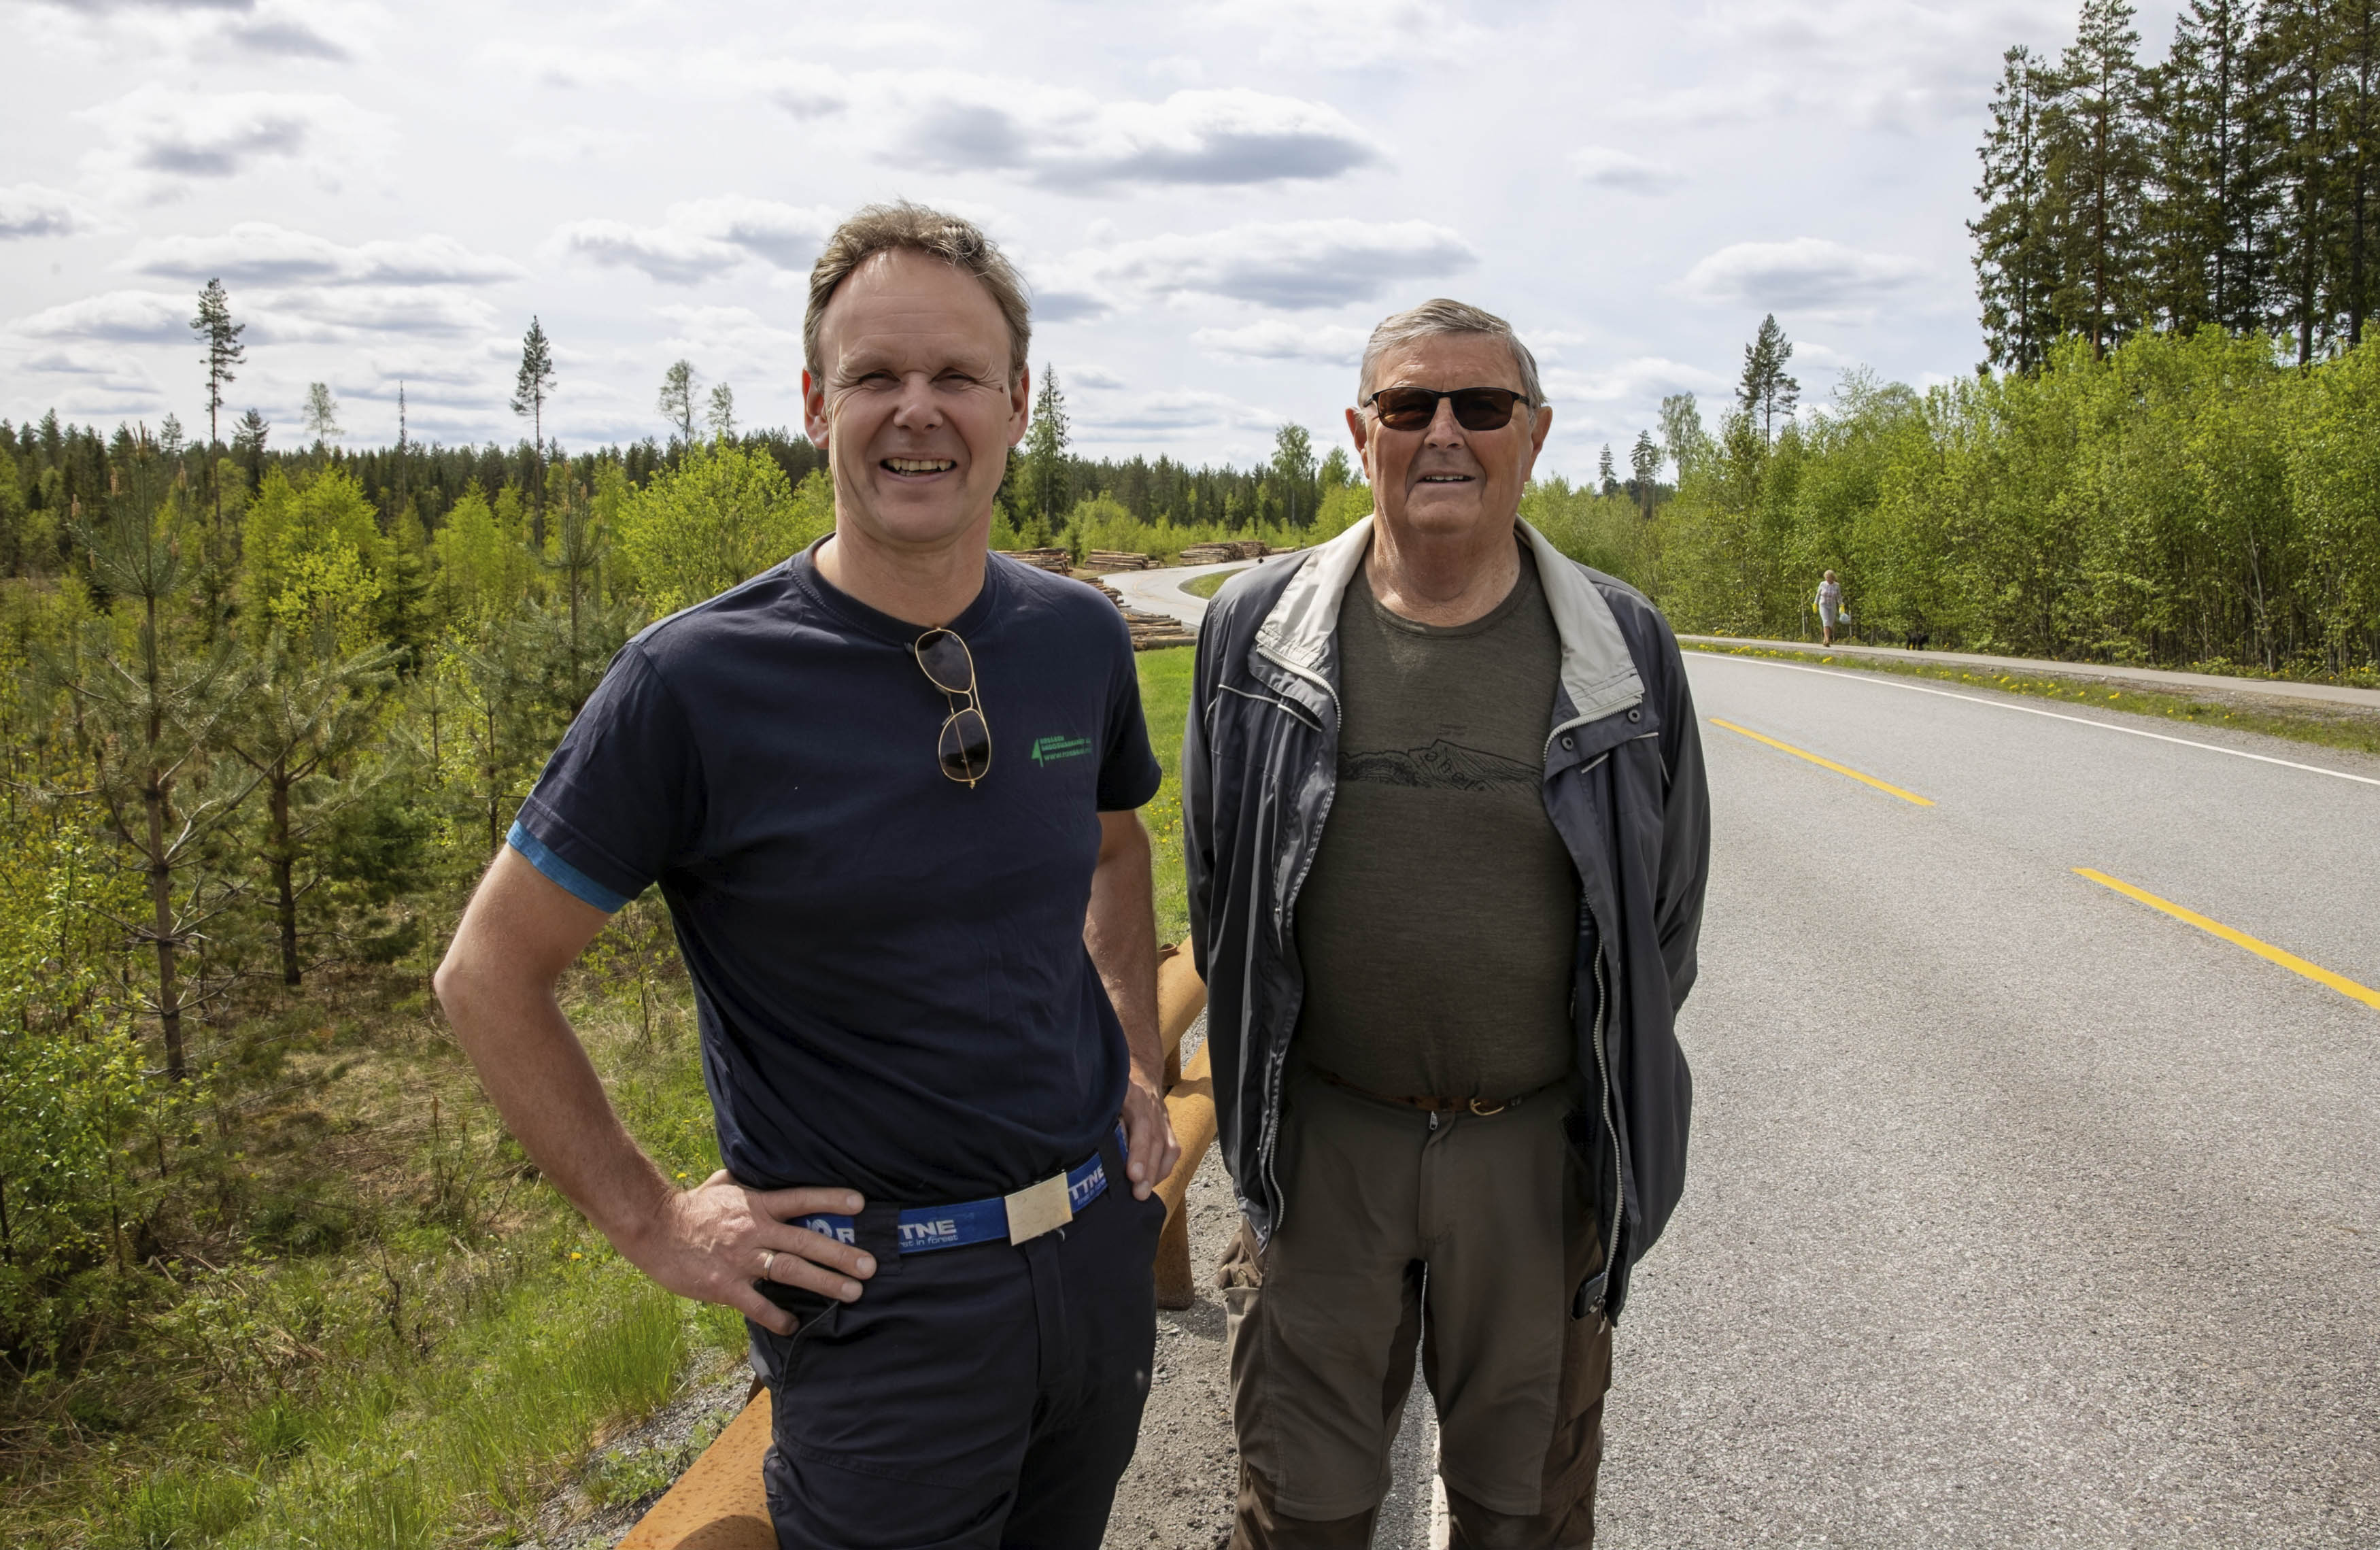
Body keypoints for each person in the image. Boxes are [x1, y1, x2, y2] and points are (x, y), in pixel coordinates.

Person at [434, 202, 1180, 1550]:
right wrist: (653, 1218)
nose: (917, 411)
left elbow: (1115, 842)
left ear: (1018, 403)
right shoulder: (696, 680)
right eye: (874, 376)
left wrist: (1135, 1048)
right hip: (879, 1312)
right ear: (813, 402)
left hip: (1091, 1258)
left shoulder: (1073, 635)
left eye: (956, 375)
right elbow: (488, 970)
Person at [1182, 299, 1711, 1549]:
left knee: (1523, 1513)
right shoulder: (1254, 637)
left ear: (1533, 435)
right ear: (1361, 431)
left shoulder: (1621, 644)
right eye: (1411, 406)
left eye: (1481, 406)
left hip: (1533, 1159)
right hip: (1326, 1153)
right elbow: (1222, 892)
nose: (1445, 434)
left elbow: (1663, 921)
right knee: (1297, 1514)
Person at [1817, 569, 1844, 646]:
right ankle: (1827, 640)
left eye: (1829, 577)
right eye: (1826, 577)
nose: (1827, 579)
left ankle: (1825, 639)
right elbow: (1818, 594)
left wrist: (1841, 605)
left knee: (1831, 623)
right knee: (1826, 622)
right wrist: (1815, 603)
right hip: (1823, 605)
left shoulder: (1837, 586)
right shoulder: (1822, 584)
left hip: (1832, 605)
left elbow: (1839, 596)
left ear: (1833, 578)